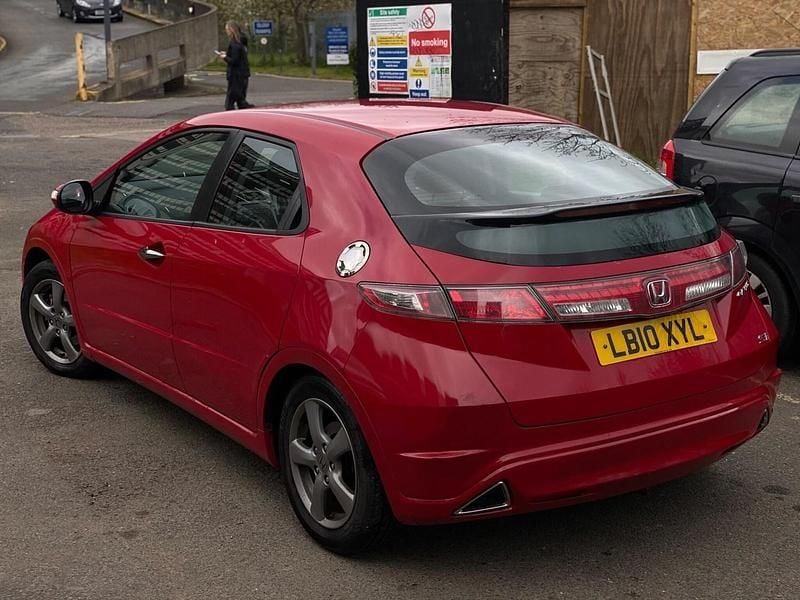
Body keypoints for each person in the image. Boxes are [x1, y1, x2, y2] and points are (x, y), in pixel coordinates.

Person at [219, 21, 254, 110]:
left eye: (227, 29)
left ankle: (231, 116)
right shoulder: (241, 42)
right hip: (243, 73)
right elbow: (238, 56)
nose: (226, 31)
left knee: (230, 99)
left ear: (231, 30)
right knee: (240, 97)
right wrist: (227, 54)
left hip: (236, 75)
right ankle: (242, 107)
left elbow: (234, 61)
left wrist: (224, 57)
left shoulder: (234, 44)